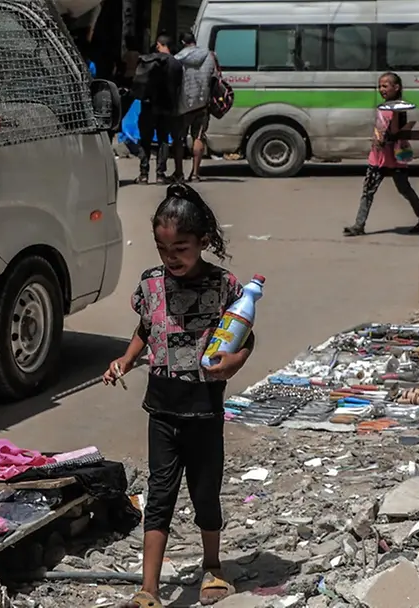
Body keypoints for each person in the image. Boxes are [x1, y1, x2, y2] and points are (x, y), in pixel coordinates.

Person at [104, 183, 254, 608]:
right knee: (161, 493)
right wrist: (125, 361)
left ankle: (212, 566)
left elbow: (247, 336)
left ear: (204, 241)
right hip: (162, 409)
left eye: (181, 248)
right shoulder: (151, 284)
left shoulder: (224, 286)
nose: (172, 257)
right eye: (162, 248)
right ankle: (148, 589)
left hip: (205, 410)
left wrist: (234, 363)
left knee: (205, 491)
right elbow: (145, 331)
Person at [343, 72, 419, 236]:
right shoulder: (382, 107)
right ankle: (359, 225)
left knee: (405, 190)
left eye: (385, 86)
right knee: (368, 192)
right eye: (380, 86)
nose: (381, 89)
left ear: (396, 87)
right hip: (377, 158)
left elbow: (395, 132)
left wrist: (395, 119)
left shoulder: (399, 109)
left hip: (395, 159)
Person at [133, 35, 183, 184]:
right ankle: (160, 174)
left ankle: (143, 174)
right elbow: (179, 88)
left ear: (158, 45)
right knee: (163, 140)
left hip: (148, 106)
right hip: (166, 107)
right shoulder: (176, 64)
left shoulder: (148, 60)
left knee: (145, 140)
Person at [173, 32, 216, 182]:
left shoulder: (178, 59)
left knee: (180, 139)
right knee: (198, 137)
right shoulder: (210, 56)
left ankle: (179, 173)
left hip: (183, 106)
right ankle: (195, 174)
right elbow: (214, 78)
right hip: (202, 104)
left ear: (183, 42)